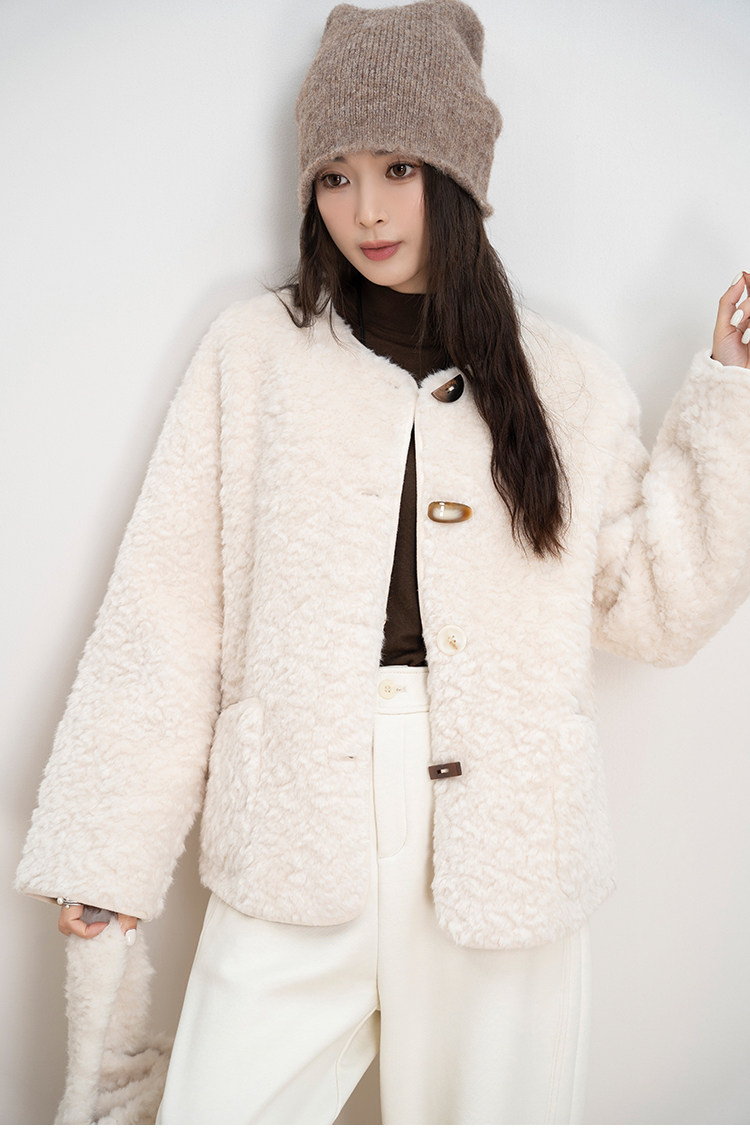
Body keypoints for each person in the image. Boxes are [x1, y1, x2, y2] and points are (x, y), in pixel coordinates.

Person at [15, 0, 750, 1126]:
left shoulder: (566, 382)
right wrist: (108, 852)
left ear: (457, 174)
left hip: (507, 846)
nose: (365, 209)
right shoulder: (254, 355)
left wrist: (732, 391)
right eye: (335, 176)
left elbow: (655, 607)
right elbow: (166, 614)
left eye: (399, 168)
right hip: (293, 821)